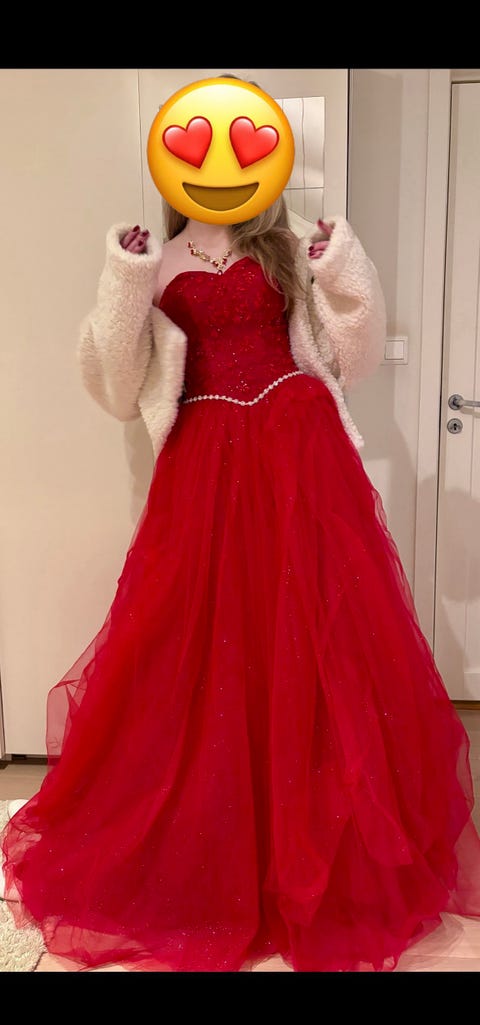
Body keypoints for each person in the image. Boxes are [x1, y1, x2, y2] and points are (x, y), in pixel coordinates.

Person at [2, 151, 480, 974]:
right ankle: (212, 846)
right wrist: (125, 277)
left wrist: (340, 266)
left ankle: (323, 850)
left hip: (300, 454)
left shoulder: (286, 248)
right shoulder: (153, 257)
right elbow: (115, 385)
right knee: (196, 645)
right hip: (206, 465)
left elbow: (356, 353)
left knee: (320, 643)